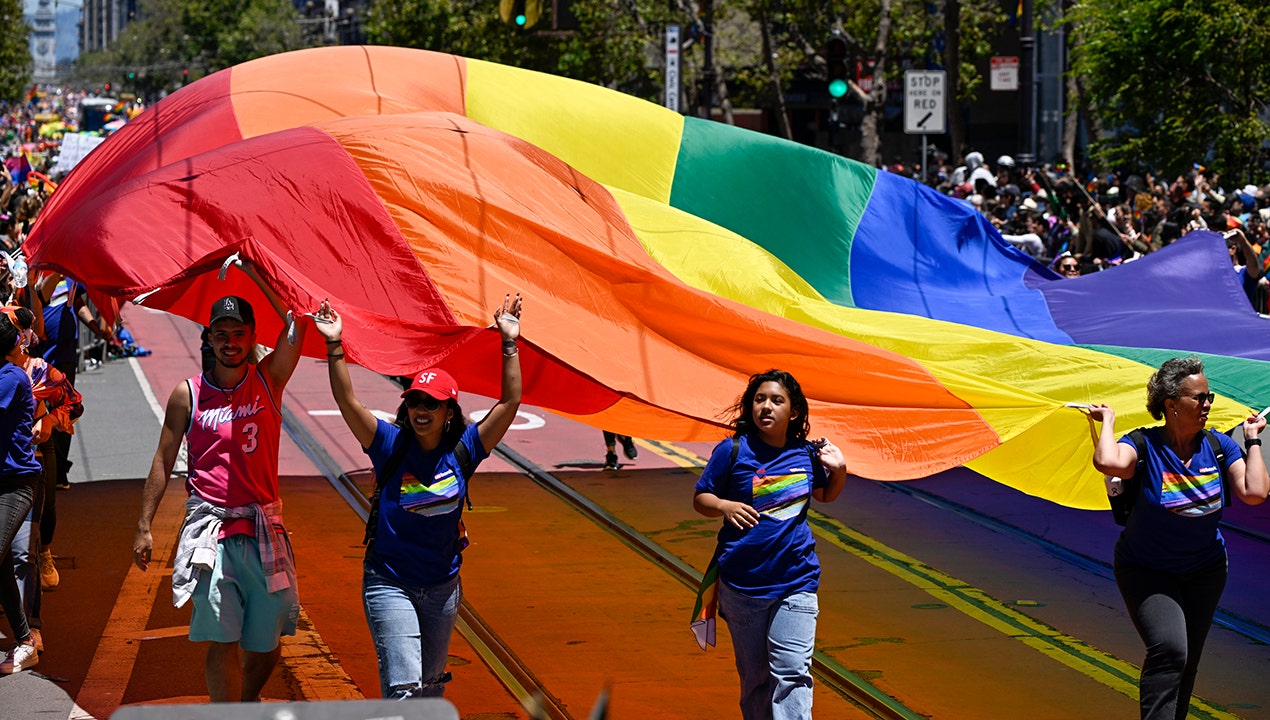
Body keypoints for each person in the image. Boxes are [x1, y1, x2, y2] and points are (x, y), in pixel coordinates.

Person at [313, 293, 523, 699]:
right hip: (389, 581)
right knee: (405, 690)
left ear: (449, 413)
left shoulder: (465, 449)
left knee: (428, 690)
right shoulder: (388, 443)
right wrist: (334, 345)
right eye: (414, 401)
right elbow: (347, 401)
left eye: (433, 403)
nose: (421, 409)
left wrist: (509, 342)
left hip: (442, 587)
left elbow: (510, 401)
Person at [132, 259, 307, 703]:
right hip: (211, 533)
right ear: (208, 338)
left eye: (239, 334)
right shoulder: (186, 394)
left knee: (266, 645)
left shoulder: (270, 381)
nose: (230, 343)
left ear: (252, 338)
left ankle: (245, 702)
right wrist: (144, 525)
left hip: (264, 528)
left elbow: (295, 322)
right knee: (222, 641)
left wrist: (255, 271)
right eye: (221, 334)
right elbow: (163, 458)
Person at [1085, 355, 1269, 720]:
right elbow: (1108, 462)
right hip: (1147, 570)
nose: (1207, 405)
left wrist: (1252, 443)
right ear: (1171, 405)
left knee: (1186, 663)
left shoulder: (1219, 446)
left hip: (1205, 570)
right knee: (1170, 650)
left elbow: (1255, 492)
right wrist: (1108, 422)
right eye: (1198, 398)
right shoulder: (1145, 445)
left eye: (1209, 397)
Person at [691, 369, 847, 720]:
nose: (766, 407)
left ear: (793, 412)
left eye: (777, 400)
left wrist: (840, 470)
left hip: (796, 581)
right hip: (743, 585)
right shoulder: (732, 451)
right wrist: (724, 505)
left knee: (792, 673)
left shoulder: (806, 454)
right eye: (760, 399)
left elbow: (824, 495)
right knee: (756, 681)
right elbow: (702, 497)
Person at [4, 305, 80, 659]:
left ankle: (31, 628)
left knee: (29, 545)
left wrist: (49, 418)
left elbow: (75, 404)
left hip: (33, 459)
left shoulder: (40, 372)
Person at [0, 312, 41, 673]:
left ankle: (28, 639)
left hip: (16, 484)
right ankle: (26, 641)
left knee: (15, 558)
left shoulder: (11, 377)